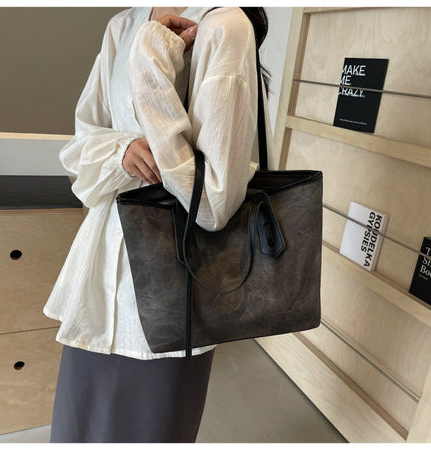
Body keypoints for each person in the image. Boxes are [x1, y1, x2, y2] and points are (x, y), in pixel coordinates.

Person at [44, 6, 274, 443]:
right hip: (98, 284)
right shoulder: (122, 25)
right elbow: (81, 146)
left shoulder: (225, 26)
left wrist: (151, 66)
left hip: (172, 290)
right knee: (77, 431)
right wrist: (121, 150)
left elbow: (212, 203)